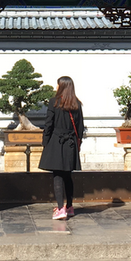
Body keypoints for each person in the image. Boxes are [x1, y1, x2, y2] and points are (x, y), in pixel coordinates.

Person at [37, 76, 86, 220]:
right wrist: (78, 143)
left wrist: (45, 142)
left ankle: (60, 208)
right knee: (67, 175)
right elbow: (80, 127)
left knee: (57, 175)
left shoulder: (54, 102)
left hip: (56, 141)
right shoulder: (76, 104)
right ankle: (69, 207)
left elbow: (49, 124)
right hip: (70, 142)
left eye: (58, 85)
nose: (56, 87)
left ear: (62, 86)